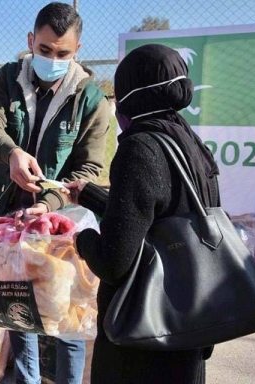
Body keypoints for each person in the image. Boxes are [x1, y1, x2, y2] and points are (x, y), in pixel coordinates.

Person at [65, 44, 220, 383]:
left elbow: (114, 262)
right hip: (188, 325)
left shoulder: (140, 147)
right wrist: (89, 195)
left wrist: (81, 238)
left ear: (129, 97)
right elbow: (161, 217)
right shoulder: (187, 142)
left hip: (145, 340)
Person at [0, 3, 111, 383]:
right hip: (7, 216)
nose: (53, 58)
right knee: (18, 309)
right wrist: (12, 153)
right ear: (31, 41)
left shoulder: (93, 100)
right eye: (46, 49)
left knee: (64, 316)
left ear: (77, 50)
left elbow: (89, 168)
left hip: (59, 223)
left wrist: (48, 204)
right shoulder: (7, 77)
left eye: (63, 53)